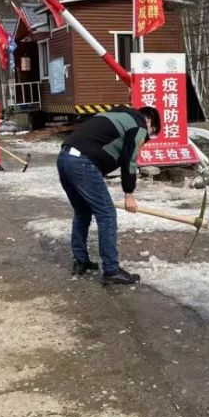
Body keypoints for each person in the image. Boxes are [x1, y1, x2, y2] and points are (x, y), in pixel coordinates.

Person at [57, 106, 160, 286]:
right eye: (151, 134)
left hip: (65, 157)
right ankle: (111, 270)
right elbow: (130, 160)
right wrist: (129, 194)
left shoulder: (116, 115)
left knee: (82, 211)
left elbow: (101, 145)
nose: (146, 140)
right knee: (107, 214)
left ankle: (81, 261)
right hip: (82, 163)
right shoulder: (139, 125)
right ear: (149, 121)